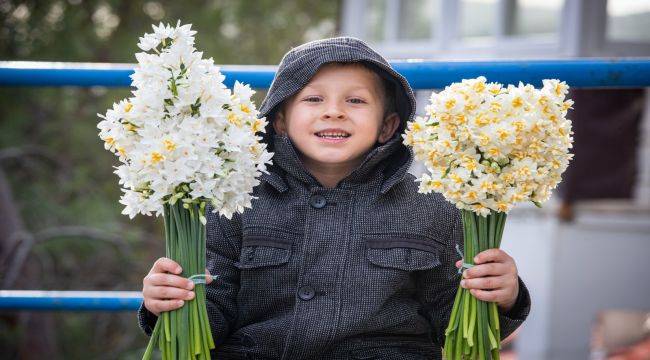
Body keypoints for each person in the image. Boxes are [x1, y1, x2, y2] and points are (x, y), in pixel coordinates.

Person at [138, 37, 531, 359]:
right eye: (313, 99)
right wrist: (169, 303)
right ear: (278, 120)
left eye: (355, 101)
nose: (334, 113)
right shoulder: (234, 201)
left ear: (387, 126)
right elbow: (212, 313)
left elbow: (453, 320)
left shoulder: (433, 206)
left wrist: (502, 298)